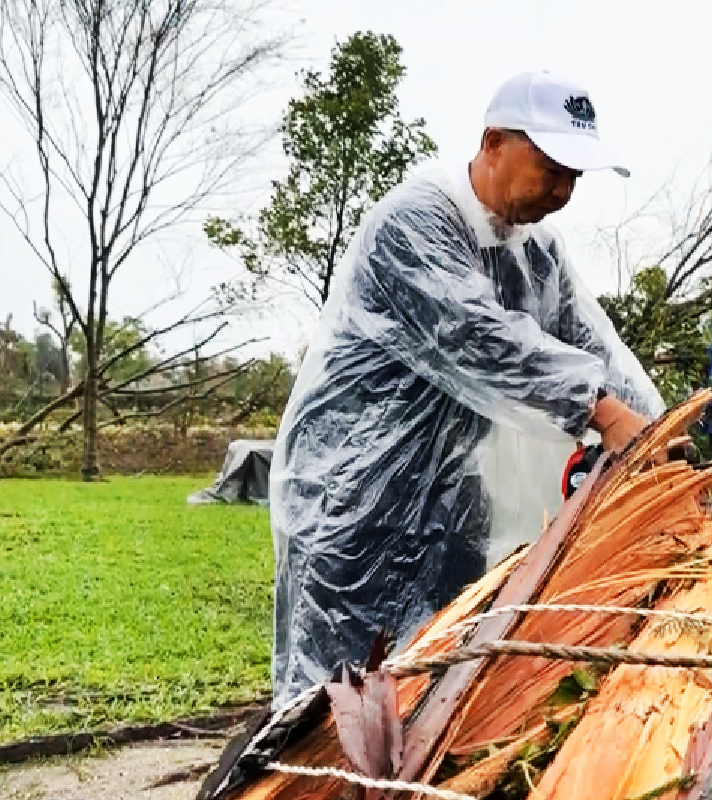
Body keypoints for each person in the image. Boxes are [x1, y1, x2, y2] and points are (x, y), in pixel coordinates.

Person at [267, 70, 665, 709]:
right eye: (550, 168)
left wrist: (661, 431)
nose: (562, 191)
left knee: (436, 681)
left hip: (451, 499)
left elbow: (594, 345)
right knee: (334, 698)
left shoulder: (535, 252)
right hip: (353, 497)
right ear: (493, 142)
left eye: (575, 178)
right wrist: (601, 409)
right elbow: (482, 336)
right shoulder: (416, 222)